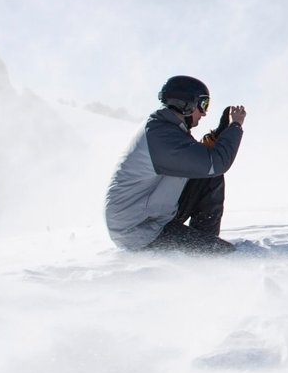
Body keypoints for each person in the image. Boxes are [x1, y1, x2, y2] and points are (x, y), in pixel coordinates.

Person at [105, 75, 247, 253]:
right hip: (138, 230)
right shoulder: (162, 136)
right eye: (203, 105)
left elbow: (201, 161)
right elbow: (215, 162)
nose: (204, 113)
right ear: (186, 104)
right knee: (224, 254)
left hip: (153, 214)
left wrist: (220, 134)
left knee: (209, 178)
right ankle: (206, 253)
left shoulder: (166, 129)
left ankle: (204, 246)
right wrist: (235, 127)